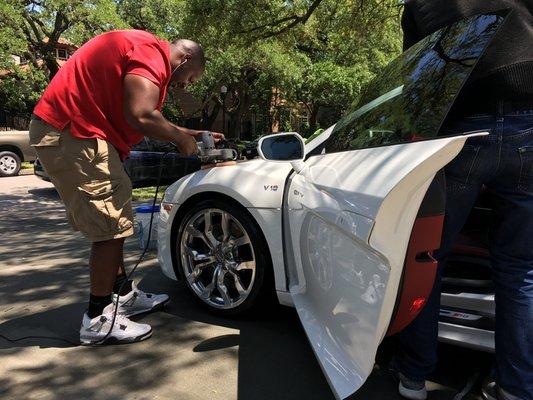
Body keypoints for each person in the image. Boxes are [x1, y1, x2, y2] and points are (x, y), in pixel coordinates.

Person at [29, 30, 223, 345]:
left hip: (79, 132)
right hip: (73, 132)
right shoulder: (152, 54)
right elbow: (141, 114)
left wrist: (191, 131)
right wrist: (181, 140)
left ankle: (121, 295)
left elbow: (136, 113)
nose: (187, 84)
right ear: (185, 58)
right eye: (192, 77)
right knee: (110, 226)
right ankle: (98, 319)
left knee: (116, 214)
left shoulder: (144, 52)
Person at [394, 1, 533, 400]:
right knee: (521, 269)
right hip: (529, 121)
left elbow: (417, 73)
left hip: (463, 129)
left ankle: (413, 376)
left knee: (428, 257)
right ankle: (516, 388)